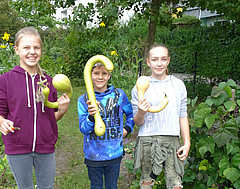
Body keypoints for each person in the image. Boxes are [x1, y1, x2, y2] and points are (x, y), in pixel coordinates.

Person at [0, 27, 70, 189]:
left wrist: (61, 111)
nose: (32, 52)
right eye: (26, 47)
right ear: (17, 50)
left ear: (41, 50)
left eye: (36, 47)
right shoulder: (5, 81)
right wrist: (3, 123)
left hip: (45, 146)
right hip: (17, 146)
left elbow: (50, 118)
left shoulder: (49, 82)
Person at [131, 44, 190, 189]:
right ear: (148, 62)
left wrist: (187, 142)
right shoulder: (140, 86)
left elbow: (182, 115)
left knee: (175, 184)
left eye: (163, 59)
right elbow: (138, 122)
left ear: (168, 60)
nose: (159, 63)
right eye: (155, 59)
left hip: (172, 142)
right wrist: (141, 112)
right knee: (146, 183)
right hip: (147, 141)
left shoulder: (178, 85)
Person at [77, 63, 135, 189]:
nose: (100, 77)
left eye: (104, 73)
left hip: (114, 154)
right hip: (93, 155)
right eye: (96, 73)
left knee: (112, 186)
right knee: (96, 186)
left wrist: (127, 129)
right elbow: (84, 129)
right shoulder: (83, 100)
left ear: (109, 76)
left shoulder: (119, 95)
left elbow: (131, 113)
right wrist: (91, 116)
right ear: (90, 75)